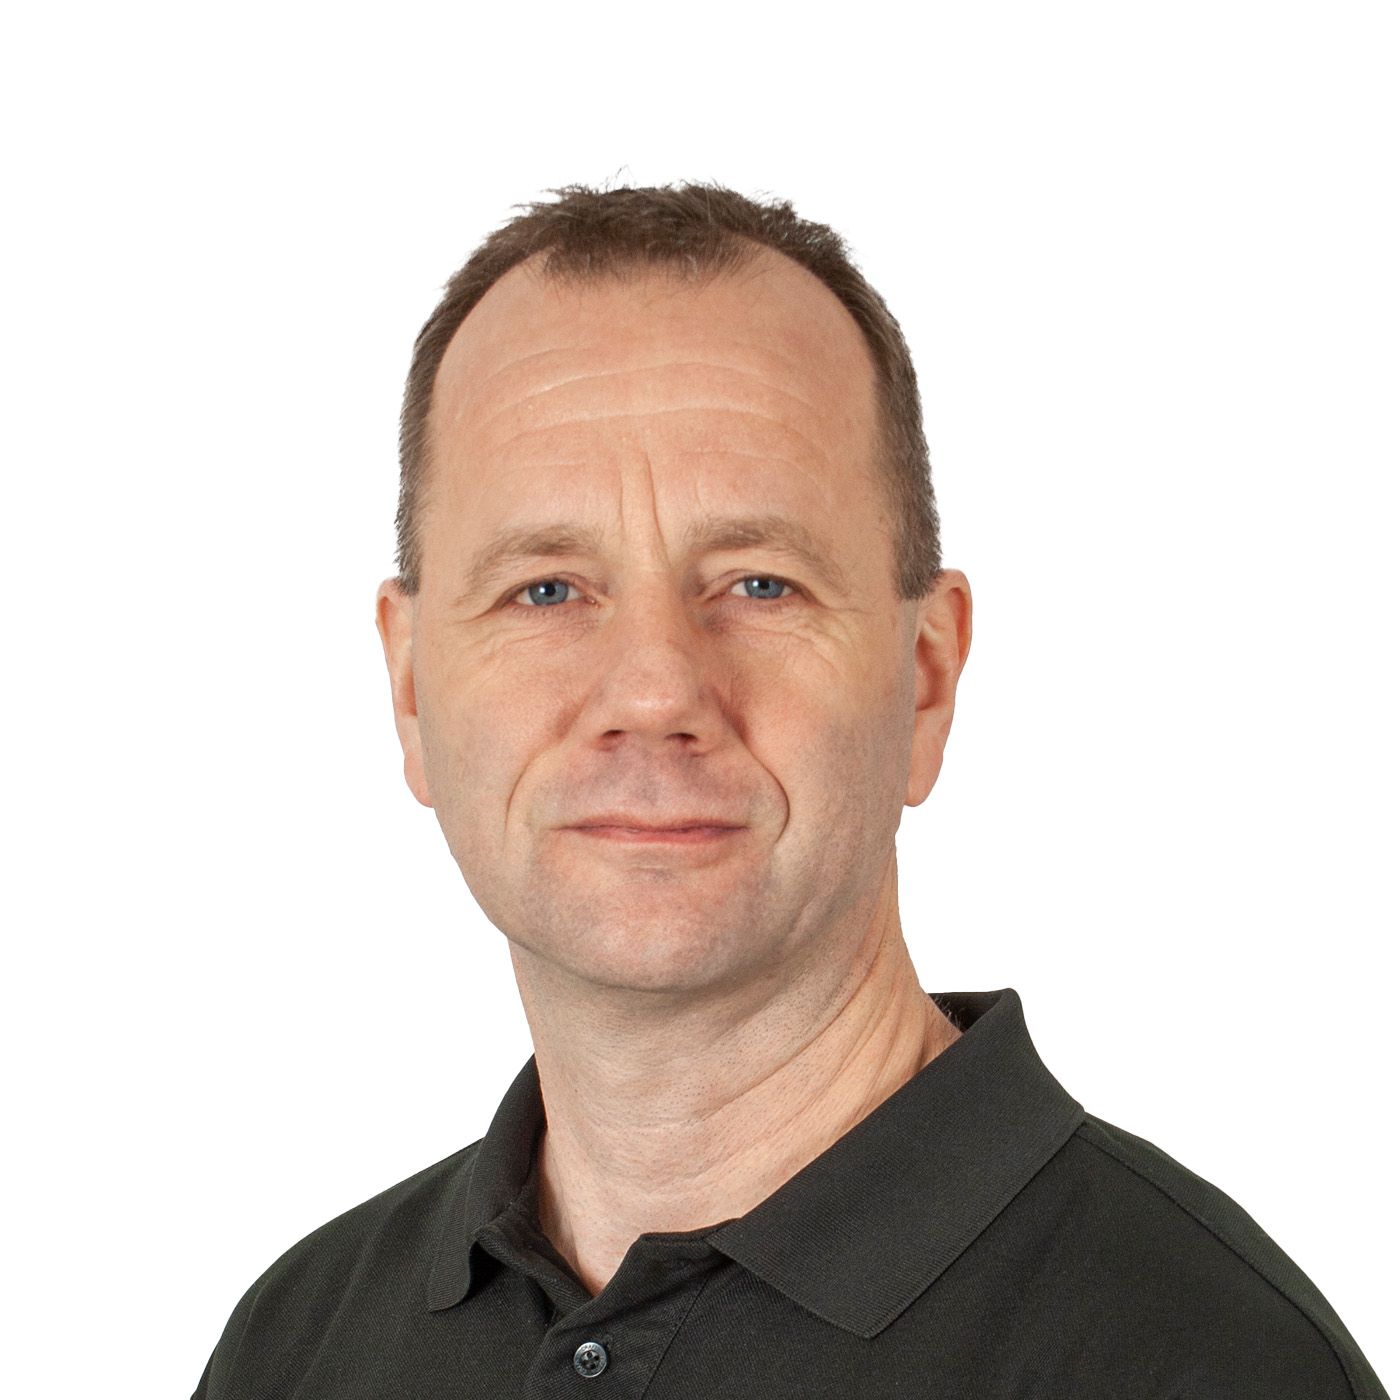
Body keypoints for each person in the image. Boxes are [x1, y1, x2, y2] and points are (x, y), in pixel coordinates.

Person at [194, 184, 1387, 1399]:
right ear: (409, 688)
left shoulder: (1201, 1361)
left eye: (759, 583)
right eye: (544, 589)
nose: (653, 688)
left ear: (925, 678)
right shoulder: (294, 1347)